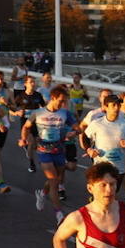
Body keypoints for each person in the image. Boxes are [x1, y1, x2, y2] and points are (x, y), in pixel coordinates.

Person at [22, 85, 78, 224]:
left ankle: (42, 193)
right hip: (44, 152)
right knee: (54, 182)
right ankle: (59, 214)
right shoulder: (38, 113)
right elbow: (26, 127)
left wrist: (74, 133)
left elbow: (79, 127)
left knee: (56, 180)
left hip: (59, 151)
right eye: (61, 100)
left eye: (64, 101)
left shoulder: (65, 113)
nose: (63, 104)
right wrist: (23, 139)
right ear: (53, 98)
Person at [81, 94, 125, 187]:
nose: (117, 108)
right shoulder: (97, 123)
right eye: (113, 105)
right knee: (101, 192)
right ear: (106, 107)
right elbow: (84, 136)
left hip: (118, 168)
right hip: (100, 166)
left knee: (113, 193)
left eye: (118, 105)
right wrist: (89, 149)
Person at [10, 75, 45, 173]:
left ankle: (26, 146)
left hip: (37, 124)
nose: (33, 84)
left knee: (34, 146)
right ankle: (32, 163)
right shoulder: (21, 96)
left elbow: (44, 107)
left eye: (34, 82)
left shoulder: (38, 95)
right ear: (25, 84)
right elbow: (10, 109)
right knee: (31, 143)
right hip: (26, 125)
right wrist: (16, 113)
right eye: (31, 82)